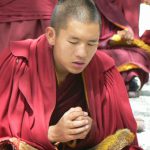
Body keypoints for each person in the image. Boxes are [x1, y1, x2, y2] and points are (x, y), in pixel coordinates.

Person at [0, 0, 142, 149]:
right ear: (51, 35)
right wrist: (53, 133)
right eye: (73, 42)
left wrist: (90, 130)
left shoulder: (104, 72)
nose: (82, 53)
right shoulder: (18, 63)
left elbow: (125, 140)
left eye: (91, 43)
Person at [94, 0, 150, 98]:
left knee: (141, 55)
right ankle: (128, 79)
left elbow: (133, 37)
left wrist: (127, 35)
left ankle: (132, 77)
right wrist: (110, 39)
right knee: (101, 57)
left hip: (127, 45)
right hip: (100, 45)